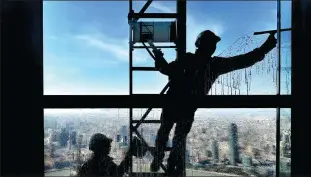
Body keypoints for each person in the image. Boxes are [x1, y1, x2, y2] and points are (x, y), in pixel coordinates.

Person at [150, 30, 277, 175]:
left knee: (163, 133)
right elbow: (243, 60)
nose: (213, 47)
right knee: (178, 140)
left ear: (198, 44)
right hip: (188, 108)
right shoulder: (215, 64)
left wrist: (159, 57)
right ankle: (171, 167)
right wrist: (266, 47)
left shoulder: (187, 59)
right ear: (210, 47)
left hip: (172, 103)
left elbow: (165, 69)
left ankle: (158, 158)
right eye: (212, 44)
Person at [78, 133, 147, 177]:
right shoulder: (104, 163)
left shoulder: (86, 166)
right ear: (100, 148)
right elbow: (119, 172)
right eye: (107, 145)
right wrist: (129, 154)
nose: (109, 147)